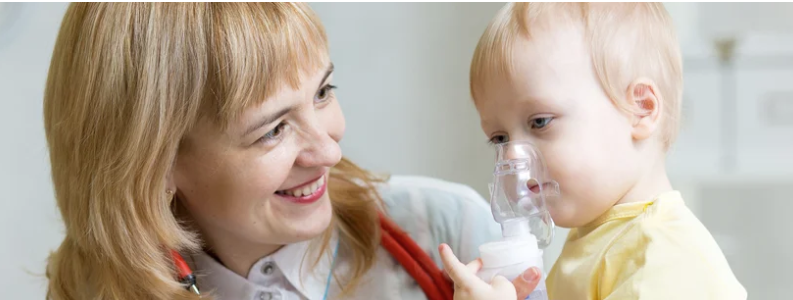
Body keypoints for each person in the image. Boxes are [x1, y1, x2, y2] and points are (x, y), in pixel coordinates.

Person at [42, 3, 521, 300]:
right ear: (155, 167)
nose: (327, 151)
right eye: (273, 130)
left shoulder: (448, 229)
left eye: (322, 92)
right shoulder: (91, 293)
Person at [440, 2, 747, 300]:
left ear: (640, 110)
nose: (511, 156)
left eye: (540, 122)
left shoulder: (663, 258)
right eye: (500, 138)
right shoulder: (596, 242)